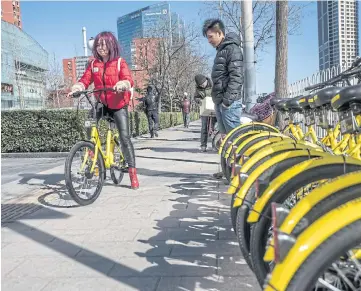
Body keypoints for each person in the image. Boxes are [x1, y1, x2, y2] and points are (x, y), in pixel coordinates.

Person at [68, 31, 139, 190]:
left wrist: (123, 84)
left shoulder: (119, 62)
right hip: (101, 102)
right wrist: (77, 87)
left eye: (105, 44)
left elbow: (129, 79)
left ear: (111, 44)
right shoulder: (94, 64)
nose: (101, 48)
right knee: (89, 121)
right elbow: (85, 80)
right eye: (99, 45)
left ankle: (133, 173)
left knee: (125, 138)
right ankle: (92, 152)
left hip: (118, 104)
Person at [203, 19, 244, 179]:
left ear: (220, 33)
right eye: (207, 37)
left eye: (211, 36)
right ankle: (229, 170)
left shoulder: (232, 49)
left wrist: (227, 101)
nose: (209, 40)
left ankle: (241, 174)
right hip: (220, 102)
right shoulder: (221, 50)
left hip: (229, 104)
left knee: (236, 140)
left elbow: (237, 78)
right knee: (226, 140)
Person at [194, 74, 217, 152]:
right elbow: (196, 97)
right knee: (204, 127)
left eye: (203, 83)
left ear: (206, 80)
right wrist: (198, 100)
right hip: (204, 110)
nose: (202, 85)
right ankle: (203, 145)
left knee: (214, 128)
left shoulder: (213, 85)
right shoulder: (198, 89)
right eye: (200, 85)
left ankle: (215, 145)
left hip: (214, 109)